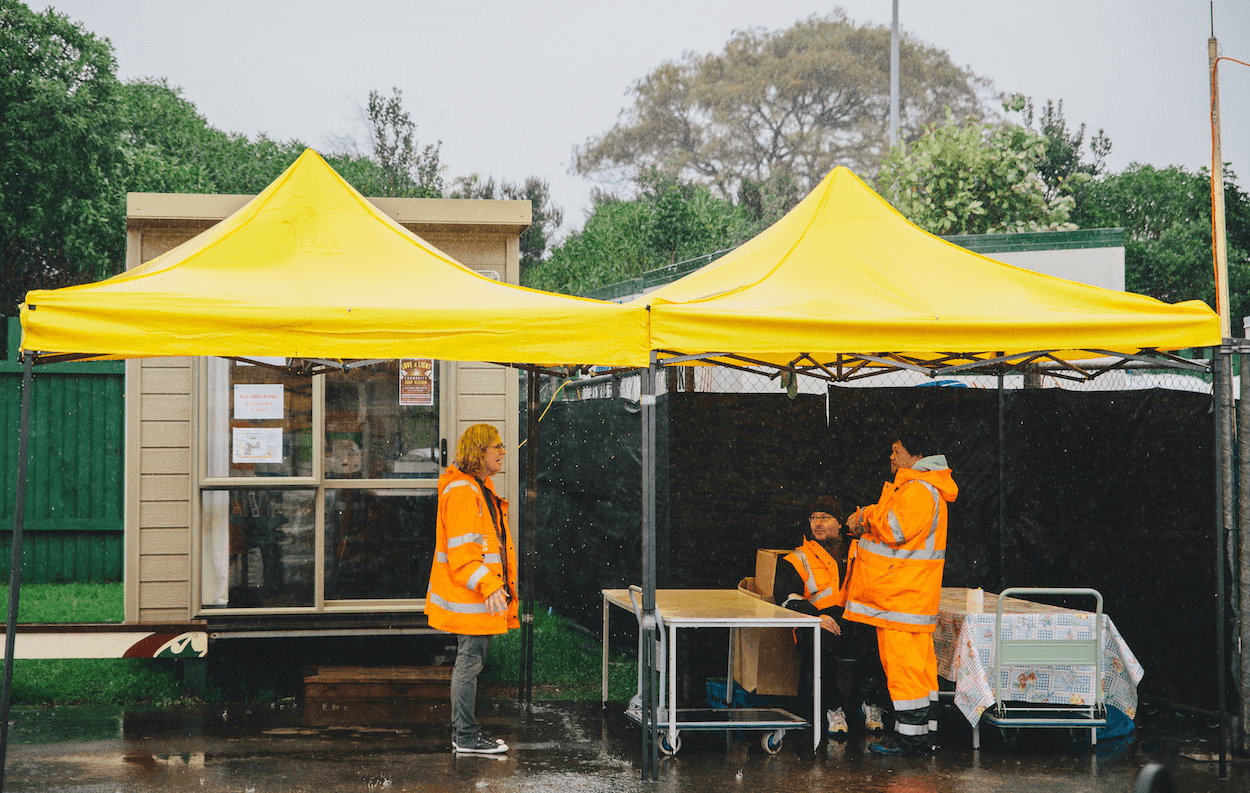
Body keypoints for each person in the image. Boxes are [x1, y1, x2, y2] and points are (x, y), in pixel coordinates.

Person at [845, 430, 958, 756]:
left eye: (896, 450)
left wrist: (864, 516)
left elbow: (894, 528)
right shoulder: (928, 488)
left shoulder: (917, 490)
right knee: (920, 670)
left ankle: (910, 741)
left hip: (900, 599)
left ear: (915, 454)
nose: (891, 457)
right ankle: (923, 737)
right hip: (911, 598)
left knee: (903, 669)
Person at [424, 423, 518, 755]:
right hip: (473, 598)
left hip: (478, 597)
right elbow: (464, 555)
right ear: (480, 452)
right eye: (498, 447)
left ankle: (466, 734)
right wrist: (491, 586)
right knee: (469, 664)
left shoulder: (475, 487)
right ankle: (465, 736)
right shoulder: (464, 491)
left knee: (470, 663)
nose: (503, 452)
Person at [774, 495, 888, 738]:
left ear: (839, 524)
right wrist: (817, 618)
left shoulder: (862, 550)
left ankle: (871, 705)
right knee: (819, 643)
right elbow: (786, 596)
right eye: (814, 518)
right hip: (817, 621)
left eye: (825, 518)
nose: (817, 523)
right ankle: (834, 709)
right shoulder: (797, 558)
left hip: (854, 619)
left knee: (879, 637)